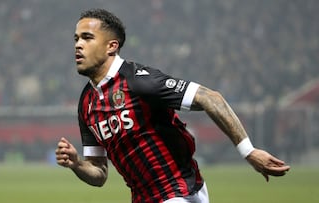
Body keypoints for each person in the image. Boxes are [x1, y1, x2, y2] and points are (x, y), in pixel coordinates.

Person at [55, 8, 290, 203]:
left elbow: (211, 98)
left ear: (111, 46)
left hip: (179, 191)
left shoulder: (138, 80)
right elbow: (99, 173)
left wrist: (249, 151)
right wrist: (77, 164)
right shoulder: (86, 104)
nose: (78, 45)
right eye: (76, 38)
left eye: (87, 37)